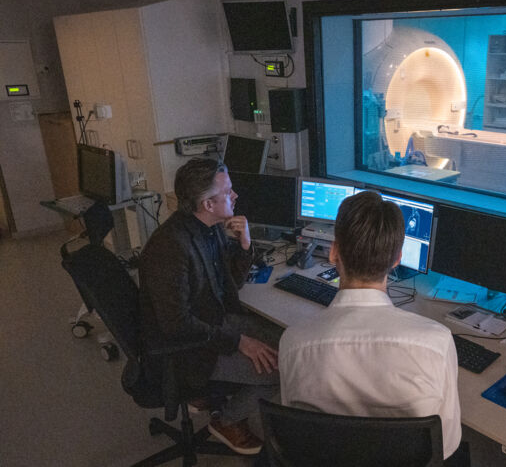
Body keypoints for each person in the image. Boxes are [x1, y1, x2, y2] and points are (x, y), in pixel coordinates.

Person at [278, 191, 462, 459]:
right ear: (397, 258)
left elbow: (296, 435)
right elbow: (446, 444)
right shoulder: (438, 342)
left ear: (333, 252)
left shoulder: (293, 342)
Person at [138, 157, 278, 455]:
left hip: (216, 322)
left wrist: (244, 245)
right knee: (281, 372)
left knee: (288, 345)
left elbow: (230, 286)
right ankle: (226, 420)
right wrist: (240, 342)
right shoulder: (171, 248)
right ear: (208, 204)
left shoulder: (209, 227)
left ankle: (221, 398)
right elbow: (175, 324)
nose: (236, 196)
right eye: (228, 192)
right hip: (190, 348)